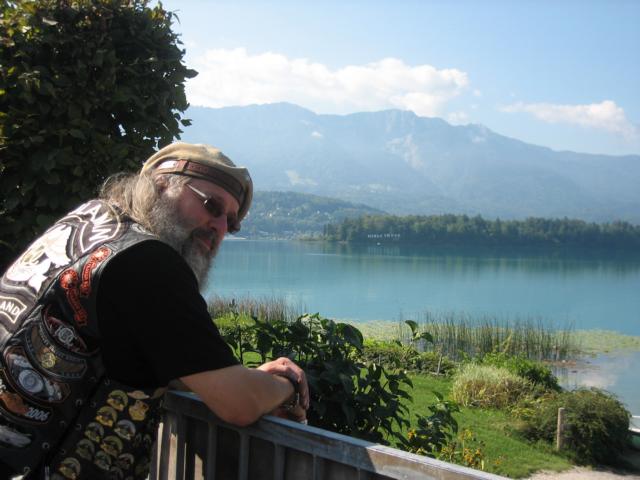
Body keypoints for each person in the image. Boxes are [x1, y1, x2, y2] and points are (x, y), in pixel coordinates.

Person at [0, 142, 309, 479]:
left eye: (231, 223)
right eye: (212, 205)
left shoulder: (87, 224)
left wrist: (240, 379)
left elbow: (131, 351)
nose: (220, 227)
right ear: (160, 185)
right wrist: (288, 384)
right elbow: (239, 404)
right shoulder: (149, 261)